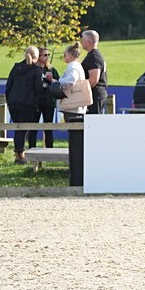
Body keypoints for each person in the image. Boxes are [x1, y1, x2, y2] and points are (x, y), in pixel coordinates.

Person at [5, 46, 44, 164]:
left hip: (13, 103)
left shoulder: (16, 68)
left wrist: (9, 101)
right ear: (36, 58)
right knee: (23, 130)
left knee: (18, 129)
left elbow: (8, 86)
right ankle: (20, 155)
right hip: (28, 104)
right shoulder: (36, 71)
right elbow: (39, 89)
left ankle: (18, 154)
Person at [58, 44, 87, 187]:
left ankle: (75, 170)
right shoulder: (78, 66)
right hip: (78, 107)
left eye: (65, 54)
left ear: (71, 54)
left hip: (72, 107)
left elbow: (71, 80)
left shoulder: (73, 66)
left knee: (74, 139)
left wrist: (57, 82)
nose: (64, 57)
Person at [36, 47, 60, 148]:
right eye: (45, 55)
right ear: (38, 56)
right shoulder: (34, 70)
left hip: (49, 102)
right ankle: (31, 149)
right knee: (33, 127)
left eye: (48, 55)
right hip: (36, 102)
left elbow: (59, 84)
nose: (47, 57)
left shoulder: (51, 70)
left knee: (48, 127)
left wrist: (52, 80)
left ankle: (50, 150)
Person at [80, 29, 108, 115]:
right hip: (95, 95)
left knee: (93, 123)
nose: (81, 42)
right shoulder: (94, 55)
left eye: (82, 39)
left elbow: (94, 79)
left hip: (95, 96)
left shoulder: (94, 57)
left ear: (88, 41)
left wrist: (81, 90)